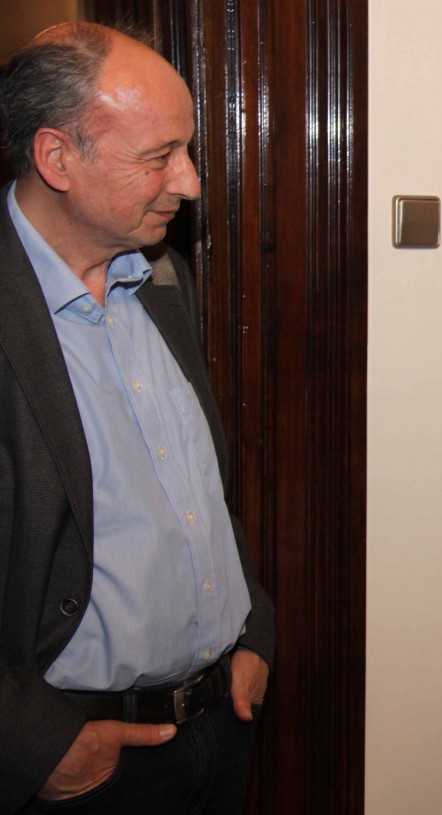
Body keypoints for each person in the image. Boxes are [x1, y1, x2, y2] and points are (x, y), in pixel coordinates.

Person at [0, 23, 274, 814]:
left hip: (221, 726)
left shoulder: (162, 278)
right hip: (80, 762)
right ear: (58, 158)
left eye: (186, 150)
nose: (189, 182)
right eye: (160, 156)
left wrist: (254, 631)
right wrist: (30, 743)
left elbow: (196, 487)